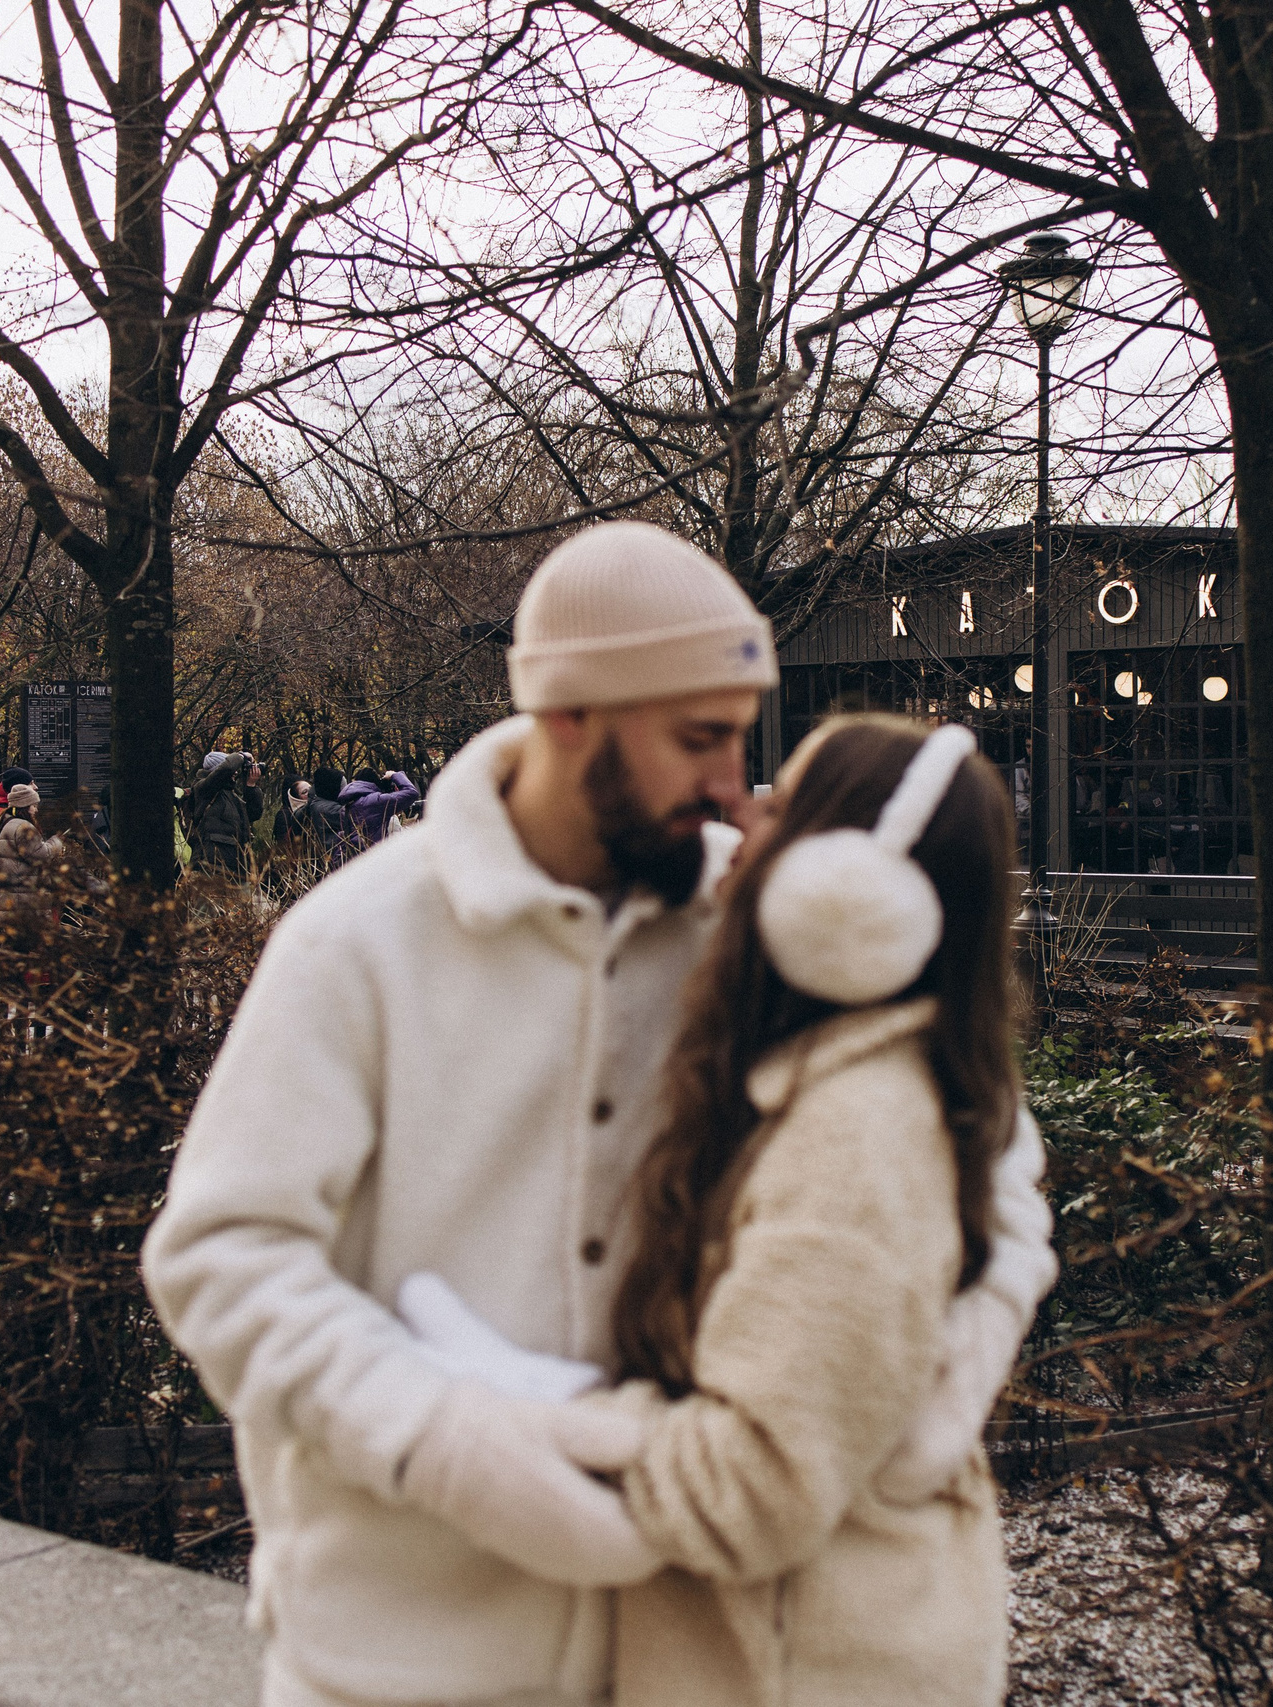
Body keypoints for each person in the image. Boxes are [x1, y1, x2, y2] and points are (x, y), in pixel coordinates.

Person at [142, 521, 1055, 1707]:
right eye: (698, 741)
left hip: (683, 1653)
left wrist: (929, 1401)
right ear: (569, 718)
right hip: (403, 1661)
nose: (735, 786)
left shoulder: (766, 912)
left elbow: (986, 1165)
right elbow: (221, 1260)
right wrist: (438, 1436)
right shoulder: (355, 944)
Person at [573, 713, 1018, 1705]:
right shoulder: (830, 1082)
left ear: (844, 892)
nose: (741, 809)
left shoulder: (857, 1139)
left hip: (805, 1668)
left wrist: (534, 1419)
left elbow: (750, 1491)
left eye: (777, 805)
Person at [0, 783, 63, 933]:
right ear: (25, 807)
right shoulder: (23, 828)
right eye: (34, 806)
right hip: (23, 902)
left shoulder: (4, 823)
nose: (36, 810)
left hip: (8, 901)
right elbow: (42, 855)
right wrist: (57, 842)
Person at [189, 750, 262, 874]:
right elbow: (227, 768)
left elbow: (253, 813)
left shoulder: (231, 796)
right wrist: (241, 756)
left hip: (236, 867)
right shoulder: (203, 788)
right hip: (210, 867)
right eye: (234, 769)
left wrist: (251, 787)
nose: (236, 772)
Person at [339, 764, 422, 847]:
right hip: (375, 854)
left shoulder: (348, 805)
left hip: (357, 857)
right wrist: (394, 775)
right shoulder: (375, 802)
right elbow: (411, 793)